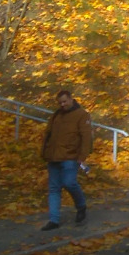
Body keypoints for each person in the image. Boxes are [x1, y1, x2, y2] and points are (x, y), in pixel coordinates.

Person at [40, 90, 92, 230]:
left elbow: (86, 138)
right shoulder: (56, 115)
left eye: (64, 101)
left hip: (71, 156)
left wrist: (82, 157)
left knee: (69, 183)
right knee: (54, 188)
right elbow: (48, 135)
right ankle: (54, 220)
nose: (62, 105)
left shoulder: (82, 115)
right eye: (60, 103)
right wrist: (45, 152)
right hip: (53, 157)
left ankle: (81, 206)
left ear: (71, 99)